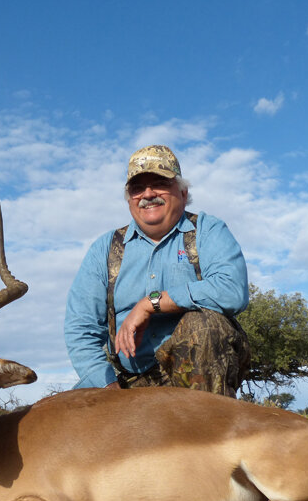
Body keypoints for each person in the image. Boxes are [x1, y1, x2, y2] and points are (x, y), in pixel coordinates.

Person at [64, 145, 250, 397]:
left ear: (183, 193)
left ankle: (205, 428)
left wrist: (150, 304)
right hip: (128, 382)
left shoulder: (208, 230)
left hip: (197, 383)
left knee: (204, 324)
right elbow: (81, 328)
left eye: (159, 183)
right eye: (137, 188)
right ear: (129, 199)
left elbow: (231, 291)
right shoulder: (105, 248)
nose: (148, 194)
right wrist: (107, 387)